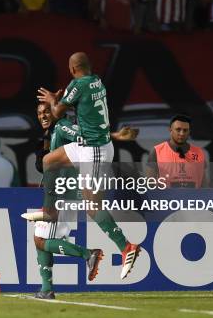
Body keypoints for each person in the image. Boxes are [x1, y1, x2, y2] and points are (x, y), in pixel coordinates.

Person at [36, 52, 142, 280]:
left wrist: (54, 101)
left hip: (93, 151)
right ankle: (50, 208)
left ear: (72, 69)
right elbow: (81, 112)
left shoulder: (79, 84)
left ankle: (126, 247)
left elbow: (56, 112)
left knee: (92, 207)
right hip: (87, 145)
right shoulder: (96, 81)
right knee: (48, 160)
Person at [31, 101, 141, 299]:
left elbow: (84, 137)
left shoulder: (63, 126)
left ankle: (89, 255)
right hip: (63, 189)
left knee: (41, 240)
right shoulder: (52, 133)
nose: (44, 115)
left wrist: (115, 136)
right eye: (40, 113)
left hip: (64, 191)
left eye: (47, 111)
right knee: (40, 239)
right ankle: (46, 289)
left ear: (57, 111)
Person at [147, 114, 206, 188]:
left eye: (185, 130)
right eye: (178, 129)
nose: (182, 133)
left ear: (189, 131)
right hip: (167, 198)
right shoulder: (157, 151)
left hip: (194, 198)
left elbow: (204, 182)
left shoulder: (198, 152)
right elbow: (150, 184)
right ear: (170, 130)